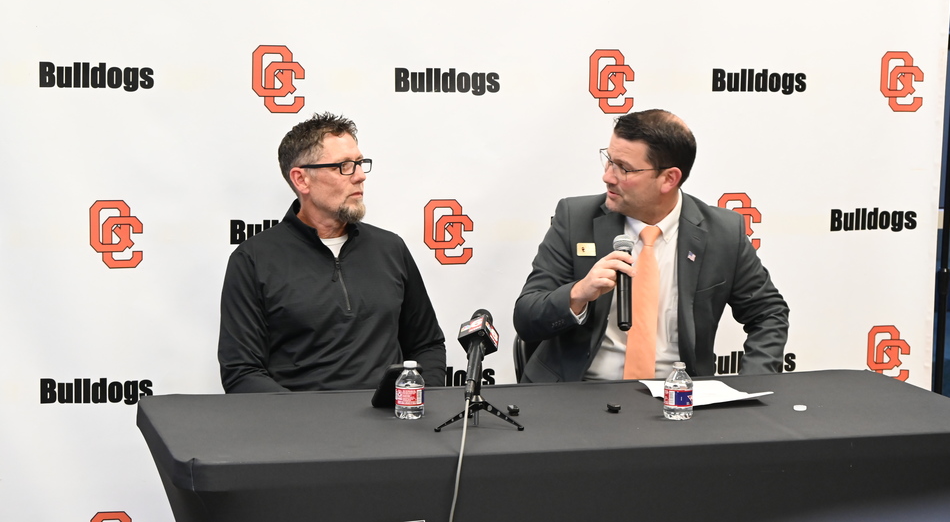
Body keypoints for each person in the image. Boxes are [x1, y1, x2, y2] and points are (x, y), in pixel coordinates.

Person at [514, 108, 788, 382]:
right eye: (609, 161)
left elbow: (769, 314)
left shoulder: (722, 233)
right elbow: (527, 317)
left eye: (624, 168)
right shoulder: (575, 218)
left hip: (677, 396)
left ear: (669, 179)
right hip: (578, 393)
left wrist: (750, 385)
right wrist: (578, 294)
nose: (608, 176)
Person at [218, 112, 446, 392]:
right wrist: (308, 423)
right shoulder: (253, 260)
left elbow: (427, 345)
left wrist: (417, 403)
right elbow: (241, 372)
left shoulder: (391, 248)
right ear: (302, 180)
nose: (360, 176)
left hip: (392, 426)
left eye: (361, 164)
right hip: (302, 429)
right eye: (344, 166)